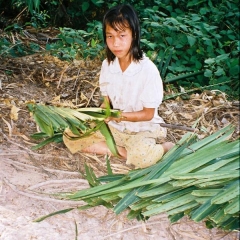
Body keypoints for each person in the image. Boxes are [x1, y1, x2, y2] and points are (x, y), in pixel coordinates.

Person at [63, 4, 174, 168]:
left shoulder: (147, 70)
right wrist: (104, 112)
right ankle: (122, 152)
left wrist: (119, 115)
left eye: (122, 35)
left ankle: (165, 148)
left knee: (144, 158)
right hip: (115, 127)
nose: (115, 43)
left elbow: (148, 114)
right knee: (69, 134)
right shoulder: (108, 65)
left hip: (140, 129)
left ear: (134, 35)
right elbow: (106, 100)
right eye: (110, 36)